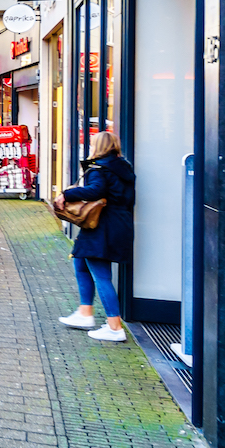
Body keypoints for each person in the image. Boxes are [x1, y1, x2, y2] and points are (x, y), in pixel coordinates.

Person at [58, 132, 136, 341]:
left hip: (102, 226)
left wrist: (67, 194)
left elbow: (94, 191)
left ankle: (114, 327)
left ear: (99, 146)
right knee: (81, 263)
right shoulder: (124, 168)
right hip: (119, 223)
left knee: (101, 276)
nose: (90, 146)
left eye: (92, 144)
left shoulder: (100, 169)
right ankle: (85, 313)